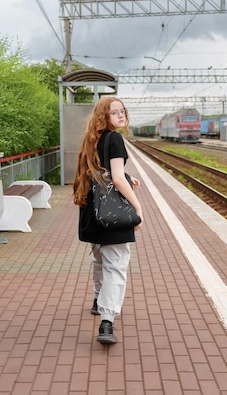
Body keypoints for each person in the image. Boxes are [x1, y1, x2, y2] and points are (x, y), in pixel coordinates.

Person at [72, 96, 143, 345]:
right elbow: (117, 178)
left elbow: (102, 171)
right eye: (115, 112)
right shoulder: (115, 139)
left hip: (92, 212)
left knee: (100, 258)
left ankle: (97, 299)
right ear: (104, 116)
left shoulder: (91, 140)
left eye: (122, 111)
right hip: (112, 215)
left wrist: (127, 174)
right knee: (116, 265)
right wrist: (138, 207)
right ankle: (106, 321)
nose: (121, 115)